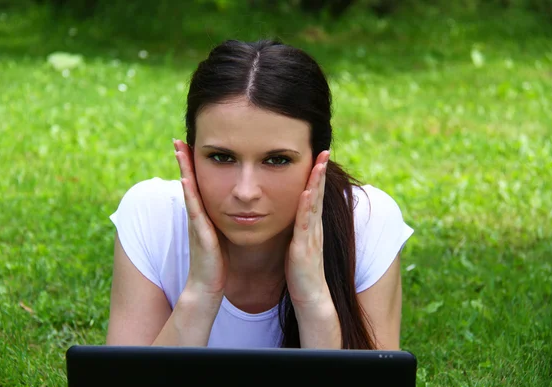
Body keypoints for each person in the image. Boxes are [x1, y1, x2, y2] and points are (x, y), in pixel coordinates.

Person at [105, 39, 413, 350]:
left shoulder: (367, 222)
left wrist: (313, 301)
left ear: (318, 160)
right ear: (189, 152)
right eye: (222, 157)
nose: (246, 191)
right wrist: (200, 293)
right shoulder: (152, 217)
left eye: (277, 160)